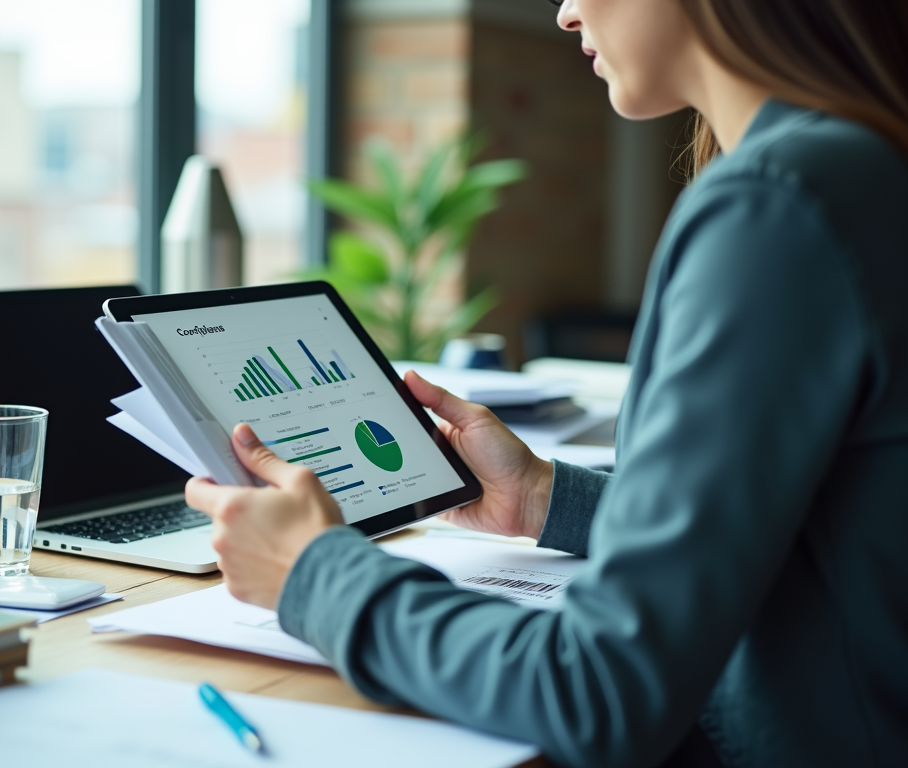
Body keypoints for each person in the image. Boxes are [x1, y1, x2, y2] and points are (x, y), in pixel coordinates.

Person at [184, 0, 908, 765]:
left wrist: (315, 576)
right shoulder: (862, 167)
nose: (563, 13)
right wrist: (542, 497)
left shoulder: (777, 205)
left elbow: (602, 691)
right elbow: (804, 529)